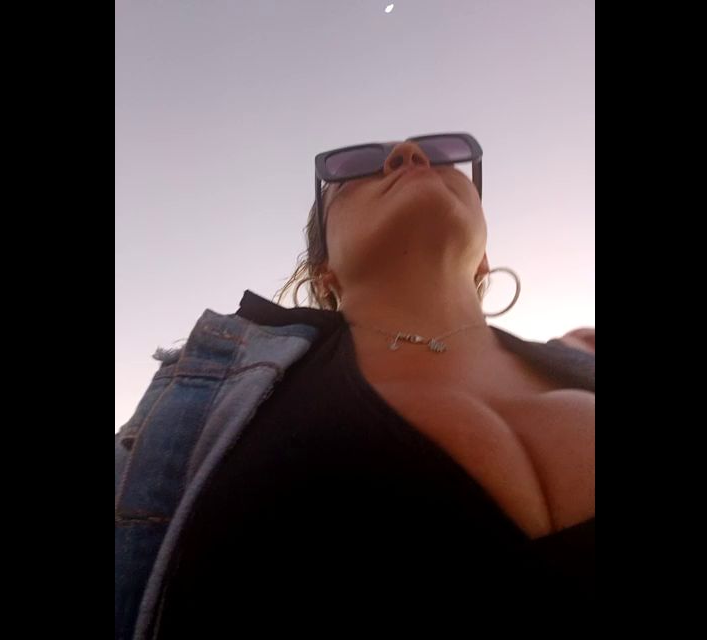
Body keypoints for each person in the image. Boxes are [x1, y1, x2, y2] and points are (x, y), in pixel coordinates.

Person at [115, 134, 595, 637]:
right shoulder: (214, 393)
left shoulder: (584, 353)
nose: (408, 152)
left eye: (441, 154)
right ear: (324, 271)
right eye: (356, 167)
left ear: (484, 258)